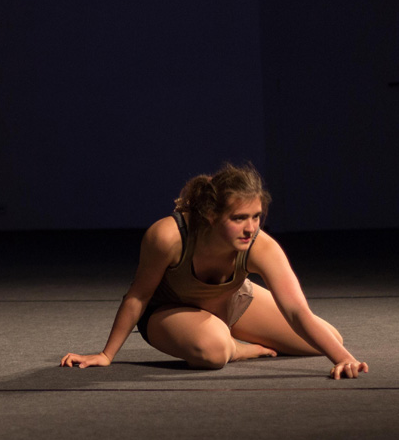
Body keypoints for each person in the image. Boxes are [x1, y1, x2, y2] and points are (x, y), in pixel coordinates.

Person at [60, 162, 368, 380]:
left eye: (256, 216)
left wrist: (344, 359)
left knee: (330, 339)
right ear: (210, 214)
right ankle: (236, 347)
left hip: (230, 303)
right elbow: (138, 296)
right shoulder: (169, 236)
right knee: (214, 350)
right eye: (239, 218)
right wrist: (107, 355)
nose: (250, 228)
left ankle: (226, 332)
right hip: (168, 311)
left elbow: (297, 311)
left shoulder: (260, 246)